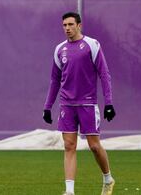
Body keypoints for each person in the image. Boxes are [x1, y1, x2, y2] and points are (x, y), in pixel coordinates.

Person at [43, 12, 116, 195]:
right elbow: (54, 80)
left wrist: (109, 103)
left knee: (94, 146)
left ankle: (108, 179)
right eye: (64, 25)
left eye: (70, 24)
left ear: (79, 25)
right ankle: (69, 191)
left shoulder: (92, 45)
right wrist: (47, 106)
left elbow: (104, 75)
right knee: (69, 146)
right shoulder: (59, 49)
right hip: (66, 105)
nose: (67, 28)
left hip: (88, 104)